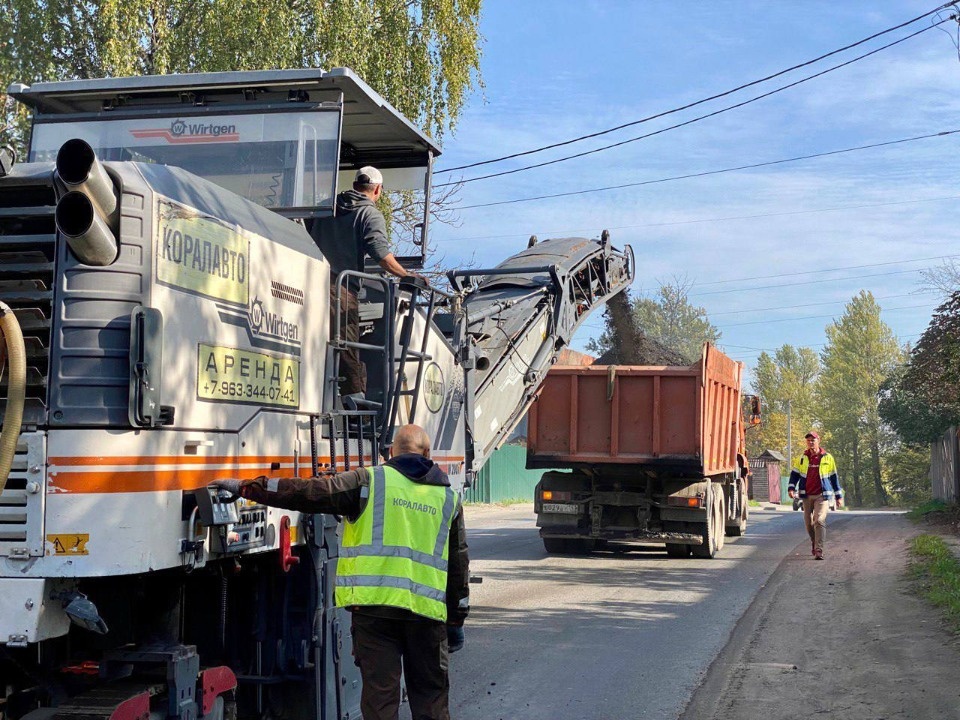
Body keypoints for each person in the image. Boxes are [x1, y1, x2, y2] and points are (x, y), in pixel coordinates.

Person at [213, 424, 468, 720]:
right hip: (427, 616)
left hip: (375, 613)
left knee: (380, 700)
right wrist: (456, 618)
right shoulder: (448, 498)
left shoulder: (369, 481)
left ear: (389, 453)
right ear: (428, 454)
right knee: (431, 701)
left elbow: (309, 492)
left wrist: (247, 487)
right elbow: (458, 564)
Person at [314, 166, 422, 400]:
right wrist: (406, 276)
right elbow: (380, 253)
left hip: (310, 282)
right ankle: (357, 408)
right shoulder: (369, 214)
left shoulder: (325, 208)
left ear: (354, 185)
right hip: (340, 290)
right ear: (378, 190)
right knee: (347, 345)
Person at [787, 431, 843, 560]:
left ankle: (819, 549)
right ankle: (814, 541)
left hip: (822, 495)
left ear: (819, 440)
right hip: (806, 495)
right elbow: (794, 475)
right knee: (808, 524)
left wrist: (838, 496)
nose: (811, 442)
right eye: (808, 440)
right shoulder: (802, 458)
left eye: (813, 440)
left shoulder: (828, 457)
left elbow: (834, 478)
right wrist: (791, 488)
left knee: (819, 520)